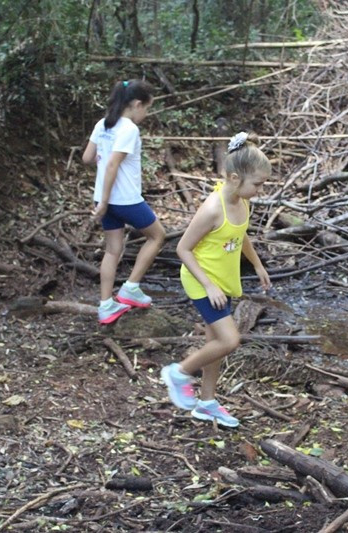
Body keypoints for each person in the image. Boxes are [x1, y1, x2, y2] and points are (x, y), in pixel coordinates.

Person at [161, 132, 272, 428]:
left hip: (222, 281)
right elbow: (182, 249)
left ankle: (206, 403)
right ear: (235, 178)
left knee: (216, 342)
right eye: (257, 184)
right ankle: (178, 373)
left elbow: (240, 234)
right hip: (202, 281)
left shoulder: (242, 202)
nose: (260, 190)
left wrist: (257, 265)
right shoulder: (212, 208)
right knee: (229, 340)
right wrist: (209, 286)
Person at [82, 79, 166, 325]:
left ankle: (106, 305)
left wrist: (102, 200)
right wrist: (105, 201)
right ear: (137, 104)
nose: (146, 114)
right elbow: (112, 165)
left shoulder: (103, 124)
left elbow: (87, 157)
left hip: (105, 199)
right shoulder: (129, 128)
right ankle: (130, 287)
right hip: (124, 199)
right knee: (157, 236)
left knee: (112, 250)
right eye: (147, 108)